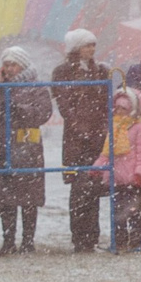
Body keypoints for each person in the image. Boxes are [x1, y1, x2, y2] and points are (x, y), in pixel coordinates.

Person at [0, 50, 52, 253]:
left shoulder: (36, 87)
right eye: (6, 64)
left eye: (13, 64)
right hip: (2, 144)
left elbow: (43, 113)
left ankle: (28, 241)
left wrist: (18, 107)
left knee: (29, 197)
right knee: (6, 196)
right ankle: (8, 240)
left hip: (27, 145)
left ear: (23, 66)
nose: (9, 69)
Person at [52, 28, 111, 253]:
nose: (91, 49)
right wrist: (81, 127)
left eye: (93, 45)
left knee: (94, 186)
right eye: (87, 45)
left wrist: (100, 127)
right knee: (78, 188)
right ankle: (79, 236)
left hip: (97, 136)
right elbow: (65, 105)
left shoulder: (100, 70)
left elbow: (105, 102)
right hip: (76, 138)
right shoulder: (63, 71)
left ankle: (92, 236)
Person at [99, 87, 141, 249]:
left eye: (124, 108)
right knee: (118, 212)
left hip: (133, 178)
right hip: (117, 177)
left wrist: (140, 172)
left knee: (135, 210)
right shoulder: (113, 128)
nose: (120, 112)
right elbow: (106, 153)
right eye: (117, 108)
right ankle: (120, 240)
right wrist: (98, 167)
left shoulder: (139, 129)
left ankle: (136, 239)